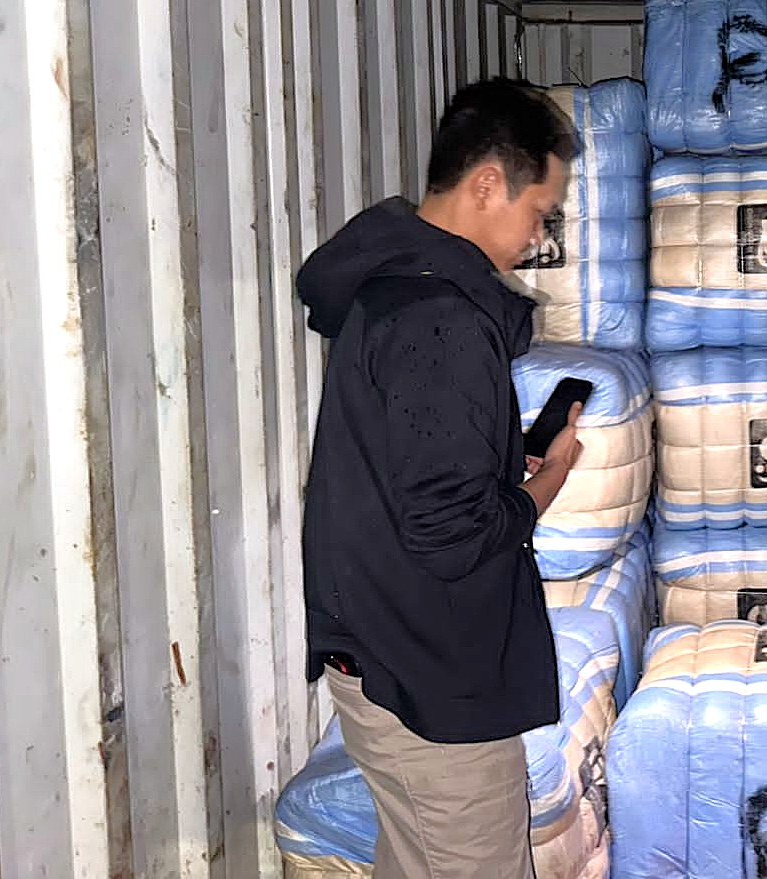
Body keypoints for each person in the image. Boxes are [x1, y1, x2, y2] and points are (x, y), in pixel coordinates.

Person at [295, 78, 582, 878]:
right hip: (430, 688)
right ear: (487, 184)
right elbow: (452, 533)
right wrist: (545, 483)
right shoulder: (441, 318)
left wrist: (503, 458)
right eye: (540, 210)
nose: (540, 234)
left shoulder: (396, 289)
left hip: (390, 659)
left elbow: (411, 464)